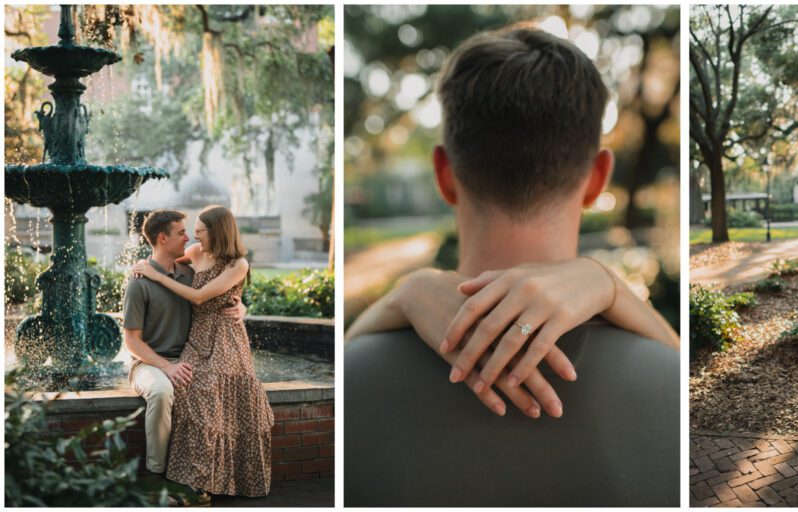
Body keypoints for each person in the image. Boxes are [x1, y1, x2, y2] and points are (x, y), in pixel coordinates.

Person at [344, 26, 680, 506]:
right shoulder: (667, 388)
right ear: (597, 178)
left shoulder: (356, 382)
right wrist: (611, 282)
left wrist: (402, 292)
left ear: (444, 174)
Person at [130, 205, 273, 499]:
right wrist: (144, 269)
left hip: (224, 340)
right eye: (187, 232)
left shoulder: (238, 264)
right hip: (197, 340)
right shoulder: (194, 254)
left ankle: (213, 481)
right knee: (193, 392)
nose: (192, 236)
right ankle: (191, 479)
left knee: (214, 395)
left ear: (217, 230)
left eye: (198, 231)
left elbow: (198, 295)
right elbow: (163, 261)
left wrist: (241, 307)